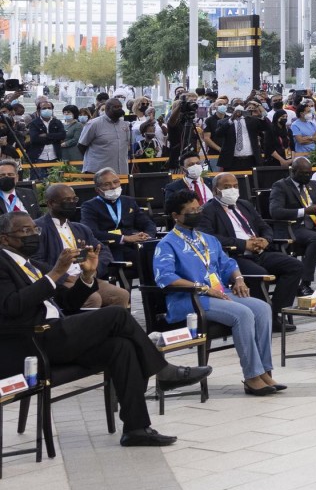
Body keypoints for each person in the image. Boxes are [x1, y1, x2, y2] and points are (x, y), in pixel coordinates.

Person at [3, 210, 209, 443]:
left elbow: (68, 302)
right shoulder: (3, 264)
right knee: (116, 315)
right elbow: (12, 306)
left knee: (121, 347)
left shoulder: (32, 265)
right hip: (33, 342)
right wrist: (56, 273)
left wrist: (87, 277)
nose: (33, 234)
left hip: (56, 334)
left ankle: (136, 429)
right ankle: (163, 371)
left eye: (34, 229)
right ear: (4, 238)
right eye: (25, 231)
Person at [153, 188, 281, 396]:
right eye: (190, 211)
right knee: (243, 314)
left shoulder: (207, 239)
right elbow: (166, 278)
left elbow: (228, 263)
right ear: (176, 216)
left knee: (262, 308)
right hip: (190, 300)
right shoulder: (167, 244)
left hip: (219, 293)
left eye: (198, 208)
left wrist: (238, 279)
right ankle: (251, 376)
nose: (197, 213)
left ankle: (264, 371)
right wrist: (203, 288)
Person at [197, 173, 311, 317]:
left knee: (295, 266)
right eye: (226, 187)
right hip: (235, 256)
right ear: (215, 190)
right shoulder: (208, 210)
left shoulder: (244, 204)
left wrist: (265, 240)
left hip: (260, 252)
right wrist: (243, 244)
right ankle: (263, 316)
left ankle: (277, 312)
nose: (232, 190)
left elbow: (264, 226)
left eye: (235, 186)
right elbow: (209, 237)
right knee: (260, 274)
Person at [34, 184, 133, 311]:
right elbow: (35, 261)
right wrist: (64, 276)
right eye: (66, 200)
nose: (71, 203)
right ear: (51, 203)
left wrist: (93, 271)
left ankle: (112, 329)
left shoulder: (80, 228)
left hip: (85, 277)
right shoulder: (38, 228)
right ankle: (88, 330)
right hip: (60, 281)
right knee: (93, 298)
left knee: (121, 295)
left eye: (74, 199)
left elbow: (104, 250)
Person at [82, 167, 159, 273]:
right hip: (113, 247)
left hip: (136, 244)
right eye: (107, 184)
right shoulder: (89, 206)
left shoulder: (128, 201)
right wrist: (125, 238)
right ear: (97, 189)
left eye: (115, 182)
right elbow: (92, 232)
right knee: (148, 260)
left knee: (161, 254)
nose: (113, 187)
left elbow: (148, 223)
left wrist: (147, 235)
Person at [75, 98, 131, 178]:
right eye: (116, 107)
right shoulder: (94, 124)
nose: (119, 109)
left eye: (120, 107)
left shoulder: (125, 125)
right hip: (98, 173)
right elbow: (81, 146)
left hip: (121, 173)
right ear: (107, 109)